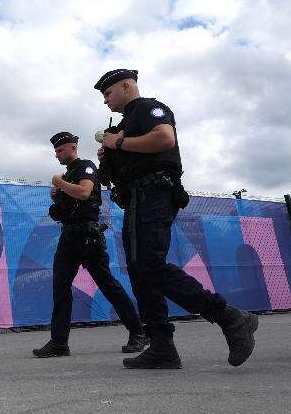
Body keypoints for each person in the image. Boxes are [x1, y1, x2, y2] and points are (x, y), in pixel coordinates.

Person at [95, 69, 258, 369]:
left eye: (107, 93)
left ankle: (230, 317)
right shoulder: (124, 125)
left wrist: (118, 144)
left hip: (153, 193)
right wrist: (108, 156)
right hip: (135, 198)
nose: (104, 100)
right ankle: (161, 346)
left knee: (149, 266)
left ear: (127, 86)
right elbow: (111, 176)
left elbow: (164, 138)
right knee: (139, 271)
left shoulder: (146, 109)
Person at [32, 131, 149, 358]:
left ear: (72, 147)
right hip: (69, 235)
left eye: (60, 150)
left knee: (107, 285)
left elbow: (85, 192)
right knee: (60, 289)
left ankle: (138, 332)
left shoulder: (85, 166)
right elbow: (62, 210)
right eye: (55, 151)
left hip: (87, 236)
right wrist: (57, 196)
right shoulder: (68, 175)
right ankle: (59, 342)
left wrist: (60, 183)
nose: (56, 155)